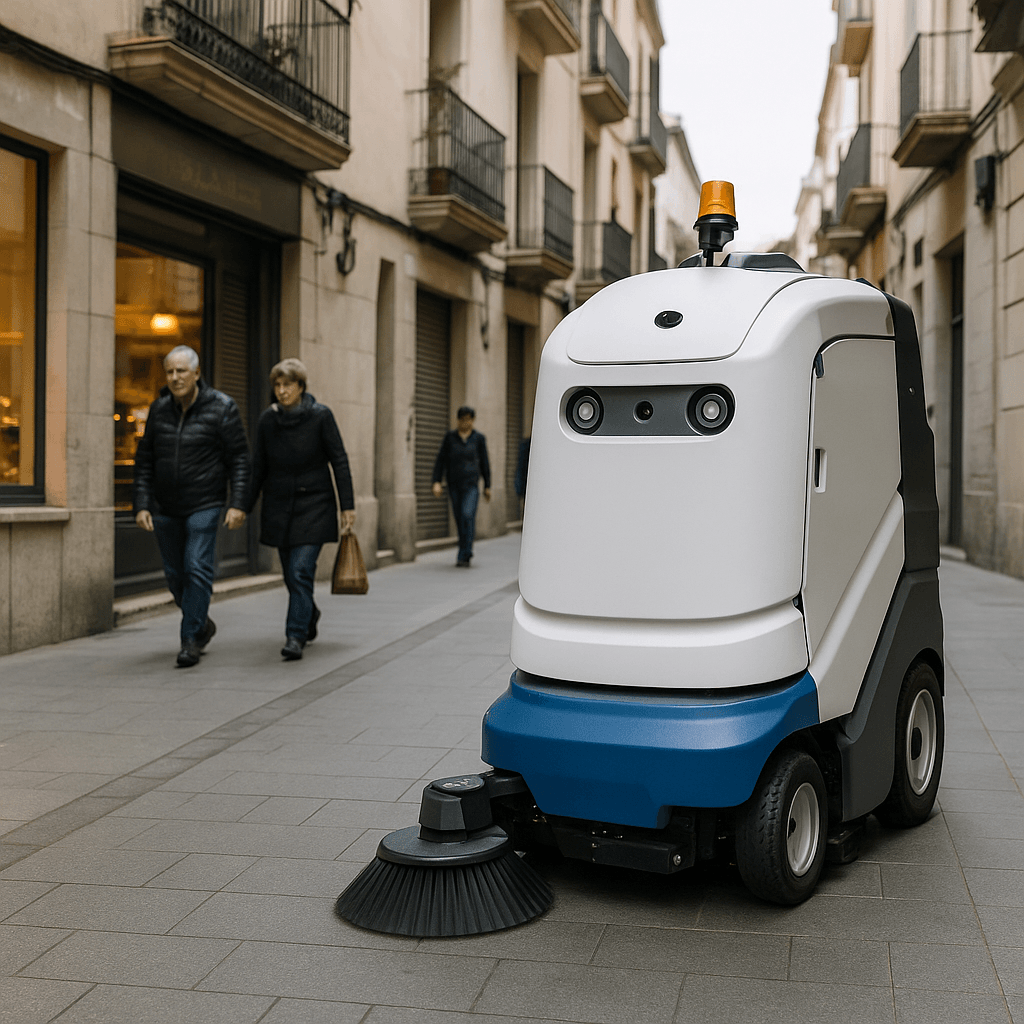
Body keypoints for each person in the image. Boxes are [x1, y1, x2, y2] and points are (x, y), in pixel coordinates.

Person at [134, 345, 250, 668]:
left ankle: (189, 641)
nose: (174, 378)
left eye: (181, 371)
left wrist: (238, 503)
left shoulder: (223, 407)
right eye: (169, 371)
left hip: (205, 502)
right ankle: (202, 623)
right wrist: (142, 503)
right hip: (165, 507)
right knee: (174, 575)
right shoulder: (158, 410)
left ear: (197, 373)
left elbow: (239, 459)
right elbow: (145, 460)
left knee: (196, 567)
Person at [247, 358, 356, 661]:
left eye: (287, 385)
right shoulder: (268, 421)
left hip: (315, 505)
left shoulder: (321, 416)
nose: (281, 391)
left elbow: (340, 460)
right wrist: (242, 506)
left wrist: (347, 506)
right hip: (279, 506)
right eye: (277, 386)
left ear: (301, 387)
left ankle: (294, 636)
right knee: (292, 576)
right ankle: (309, 613)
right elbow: (258, 467)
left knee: (300, 570)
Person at [431, 405, 491, 567]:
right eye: (463, 419)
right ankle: (464, 549)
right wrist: (436, 481)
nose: (466, 423)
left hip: (471, 485)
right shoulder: (450, 438)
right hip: (454, 485)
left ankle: (465, 552)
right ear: (458, 420)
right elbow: (441, 461)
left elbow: (485, 463)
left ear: (472, 421)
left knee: (467, 515)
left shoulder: (478, 439)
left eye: (469, 420)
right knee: (459, 518)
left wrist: (487, 485)